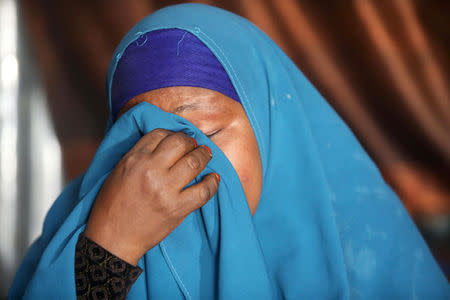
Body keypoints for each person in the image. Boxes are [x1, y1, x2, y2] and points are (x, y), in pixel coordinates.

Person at [8, 3, 449, 299]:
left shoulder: (373, 265)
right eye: (141, 140)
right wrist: (109, 248)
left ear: (272, 129)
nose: (170, 165)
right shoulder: (81, 250)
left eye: (209, 132)